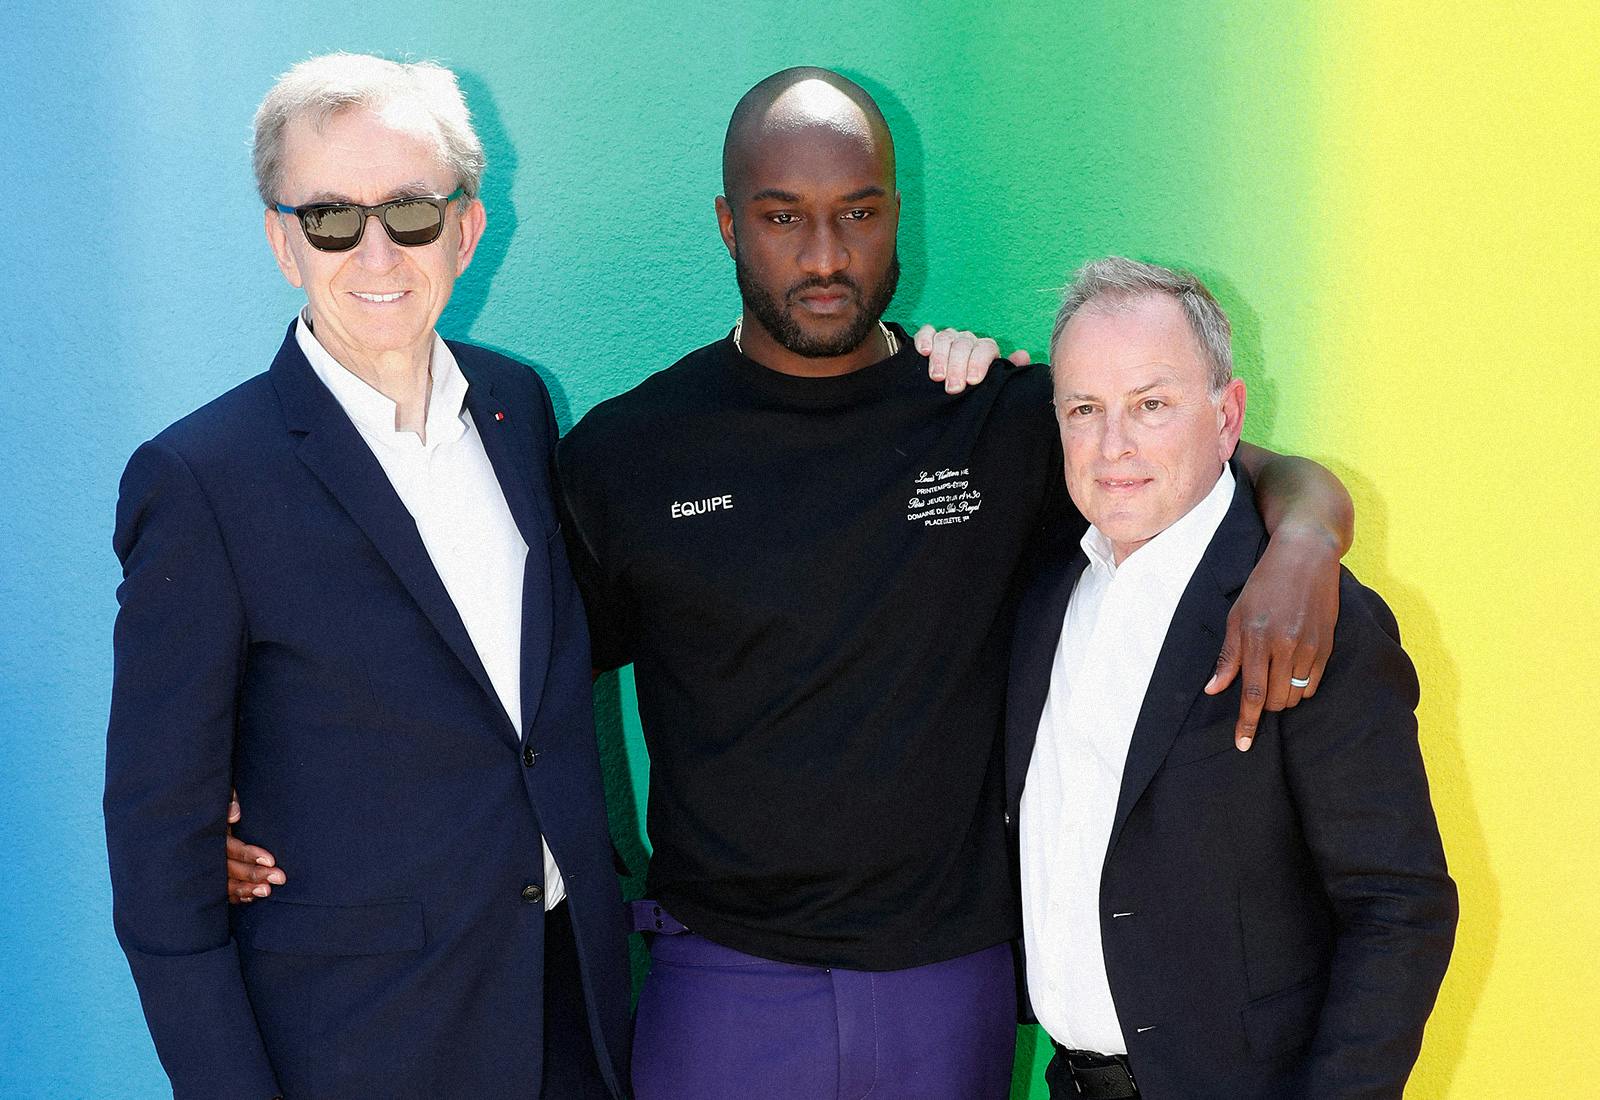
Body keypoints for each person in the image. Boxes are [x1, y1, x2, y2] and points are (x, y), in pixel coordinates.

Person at [229, 67, 1356, 1098]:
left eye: (857, 213)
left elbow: (1215, 468)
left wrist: (1307, 537)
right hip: (719, 975)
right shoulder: (630, 454)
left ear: (893, 217)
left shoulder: (994, 417)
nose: (824, 256)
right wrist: (272, 788)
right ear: (729, 224)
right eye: (781, 218)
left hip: (950, 970)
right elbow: (493, 686)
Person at [105, 54, 630, 1099]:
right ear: (282, 240)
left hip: (568, 1001)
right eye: (333, 216)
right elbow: (158, 853)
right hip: (362, 1043)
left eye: (410, 212)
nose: (377, 250)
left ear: (466, 229)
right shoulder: (201, 479)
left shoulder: (517, 408)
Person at [1007, 257, 1456, 1099]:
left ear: (1227, 417)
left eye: (1153, 404)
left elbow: (1399, 909)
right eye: (1085, 410)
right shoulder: (1042, 596)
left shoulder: (1305, 613)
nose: (1115, 447)